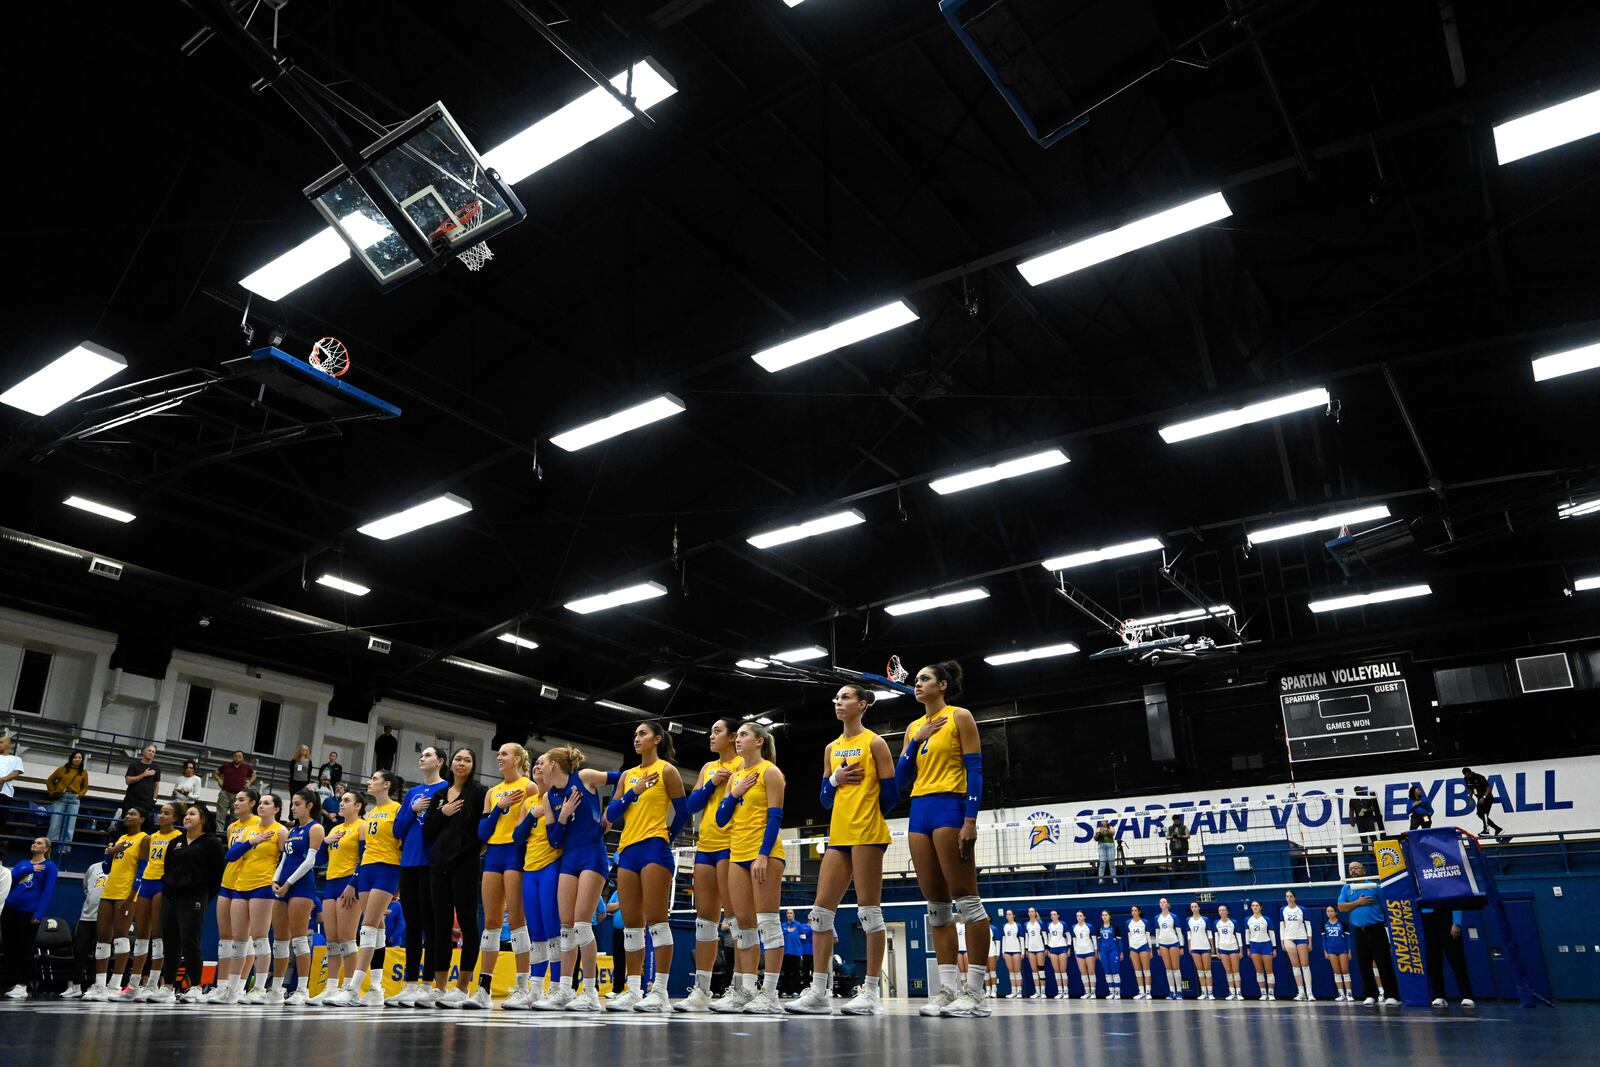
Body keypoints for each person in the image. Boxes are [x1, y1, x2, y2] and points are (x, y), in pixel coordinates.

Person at [786, 686, 897, 1017]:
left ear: (862, 705)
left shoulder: (874, 743)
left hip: (867, 832)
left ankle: (872, 992)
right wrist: (834, 779)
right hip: (838, 834)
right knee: (820, 913)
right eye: (836, 698)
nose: (838, 702)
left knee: (868, 912)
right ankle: (819, 992)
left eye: (845, 697)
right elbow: (823, 799)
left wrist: (866, 813)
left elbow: (890, 795)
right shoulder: (831, 748)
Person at [896, 660, 992, 1017]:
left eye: (924, 679)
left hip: (951, 807)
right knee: (935, 906)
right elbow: (902, 778)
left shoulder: (959, 717)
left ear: (943, 686)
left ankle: (977, 993)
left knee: (966, 900)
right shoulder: (914, 727)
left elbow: (976, 770)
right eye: (916, 680)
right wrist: (914, 742)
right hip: (919, 810)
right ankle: (948, 991)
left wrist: (970, 819)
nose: (917, 684)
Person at [605, 721, 686, 1013]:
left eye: (642, 734)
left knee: (657, 921)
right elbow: (612, 814)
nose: (636, 738)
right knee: (631, 924)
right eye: (635, 735)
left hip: (655, 848)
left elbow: (683, 812)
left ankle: (660, 991)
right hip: (627, 851)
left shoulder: (667, 770)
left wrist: (665, 837)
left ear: (656, 739)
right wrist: (632, 791)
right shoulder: (628, 775)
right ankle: (634, 989)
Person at [712, 720, 787, 1014]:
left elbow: (776, 817)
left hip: (763, 854)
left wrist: (764, 855)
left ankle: (769, 994)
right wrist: (734, 792)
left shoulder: (771, 772)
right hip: (737, 854)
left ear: (758, 741)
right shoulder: (736, 776)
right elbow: (720, 819)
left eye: (743, 735)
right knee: (742, 927)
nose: (738, 739)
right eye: (738, 735)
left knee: (768, 924)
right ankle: (744, 991)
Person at [532, 745, 611, 1012]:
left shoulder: (585, 777)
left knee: (581, 925)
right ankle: (565, 991)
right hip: (569, 859)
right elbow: (554, 840)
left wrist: (611, 813)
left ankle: (590, 994)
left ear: (554, 764)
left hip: (592, 856)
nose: (538, 767)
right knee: (566, 927)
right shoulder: (548, 798)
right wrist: (563, 816)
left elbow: (620, 779)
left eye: (542, 762)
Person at [676, 717, 740, 1012]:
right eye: (710, 730)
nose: (711, 736)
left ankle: (741, 988)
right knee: (705, 920)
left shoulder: (744, 765)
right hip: (706, 846)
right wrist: (711, 784)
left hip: (733, 845)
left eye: (717, 731)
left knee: (737, 919)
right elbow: (691, 806)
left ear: (733, 736)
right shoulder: (708, 768)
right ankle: (702, 991)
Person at [327, 770, 404, 1007]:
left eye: (374, 779)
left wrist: (399, 884)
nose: (369, 782)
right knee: (377, 927)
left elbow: (404, 844)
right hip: (367, 871)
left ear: (386, 784)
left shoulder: (397, 809)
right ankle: (376, 989)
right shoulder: (371, 813)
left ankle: (352, 989)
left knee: (368, 927)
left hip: (387, 869)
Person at [423, 748, 486, 1008]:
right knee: (440, 926)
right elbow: (427, 832)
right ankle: (440, 987)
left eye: (467, 760)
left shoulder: (480, 792)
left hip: (466, 865)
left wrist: (472, 851)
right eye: (458, 759)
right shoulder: (439, 795)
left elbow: (485, 830)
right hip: (438, 866)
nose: (462, 763)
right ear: (451, 764)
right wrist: (443, 813)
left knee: (468, 923)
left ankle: (462, 986)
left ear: (473, 765)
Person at [474, 743, 536, 1009]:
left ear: (519, 758)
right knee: (491, 921)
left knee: (518, 920)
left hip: (515, 855)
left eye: (504, 753)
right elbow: (482, 833)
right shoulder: (492, 792)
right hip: (493, 856)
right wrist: (498, 807)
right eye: (498, 753)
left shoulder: (529, 787)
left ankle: (523, 987)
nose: (499, 757)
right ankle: (483, 989)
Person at [390, 746, 447, 1007]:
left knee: (431, 925)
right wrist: (412, 809)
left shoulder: (446, 790)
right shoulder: (412, 793)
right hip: (409, 864)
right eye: (421, 755)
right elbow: (397, 830)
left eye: (427, 755)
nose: (422, 758)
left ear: (440, 761)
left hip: (432, 864)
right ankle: (410, 984)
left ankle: (428, 985)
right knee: (412, 925)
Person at [156, 802, 224, 1004]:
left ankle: (195, 986)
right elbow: (167, 868)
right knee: (170, 942)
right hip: (170, 896)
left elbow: (217, 874)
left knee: (190, 942)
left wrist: (202, 896)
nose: (187, 817)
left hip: (195, 897)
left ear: (202, 818)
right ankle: (167, 987)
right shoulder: (175, 842)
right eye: (185, 814)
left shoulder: (211, 843)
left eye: (192, 814)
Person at [222, 791, 285, 1003]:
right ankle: (232, 989)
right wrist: (253, 841)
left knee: (259, 937)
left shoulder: (280, 830)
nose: (262, 806)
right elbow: (230, 856)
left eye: (267, 803)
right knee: (239, 939)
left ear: (276, 809)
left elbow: (286, 859)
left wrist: (279, 882)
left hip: (263, 886)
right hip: (241, 886)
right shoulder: (248, 830)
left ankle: (259, 988)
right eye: (261, 803)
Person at [83, 807, 148, 1001]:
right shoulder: (120, 839)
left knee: (121, 936)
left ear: (142, 819)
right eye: (127, 814)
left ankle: (115, 984)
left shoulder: (144, 839)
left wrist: (132, 895)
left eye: (133, 814)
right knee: (103, 937)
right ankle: (100, 984)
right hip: (109, 891)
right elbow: (106, 868)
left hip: (126, 892)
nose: (128, 816)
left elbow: (143, 868)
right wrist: (110, 853)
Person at [516, 753, 564, 1011]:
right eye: (534, 764)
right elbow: (517, 836)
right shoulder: (528, 802)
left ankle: (556, 988)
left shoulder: (559, 797)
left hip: (551, 866)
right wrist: (532, 815)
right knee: (536, 932)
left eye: (541, 763)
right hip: (529, 869)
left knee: (552, 929)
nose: (536, 766)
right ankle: (535, 990)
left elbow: (560, 836)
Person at [271, 789, 325, 1005]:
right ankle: (276, 989)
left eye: (296, 803)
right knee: (279, 940)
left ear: (309, 805)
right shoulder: (293, 830)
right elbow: (283, 860)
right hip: (282, 884)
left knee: (300, 939)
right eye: (292, 804)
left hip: (302, 887)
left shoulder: (316, 828)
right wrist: (275, 880)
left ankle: (302, 989)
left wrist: (288, 884)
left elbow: (310, 861)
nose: (292, 807)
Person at [123, 801, 182, 1000]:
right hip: (146, 883)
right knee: (141, 934)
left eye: (167, 813)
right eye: (161, 812)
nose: (161, 816)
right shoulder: (150, 838)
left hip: (162, 884)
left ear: (175, 818)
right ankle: (134, 984)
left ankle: (153, 984)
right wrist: (135, 889)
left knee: (158, 934)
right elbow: (141, 864)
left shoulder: (179, 838)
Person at [310, 790, 363, 1005]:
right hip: (331, 884)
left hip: (348, 884)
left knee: (347, 939)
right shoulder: (336, 828)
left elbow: (366, 857)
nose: (341, 803)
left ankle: (350, 989)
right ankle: (331, 988)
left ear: (358, 806)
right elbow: (319, 860)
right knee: (332, 940)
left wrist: (353, 884)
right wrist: (325, 841)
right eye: (341, 800)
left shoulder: (362, 826)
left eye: (346, 800)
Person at [208, 790, 261, 1003]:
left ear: (252, 803)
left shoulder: (259, 824)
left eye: (241, 800)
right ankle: (222, 987)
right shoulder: (231, 827)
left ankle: (238, 986)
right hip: (227, 882)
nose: (235, 803)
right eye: (236, 799)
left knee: (244, 938)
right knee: (225, 938)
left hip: (247, 884)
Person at [2, 837, 59, 998]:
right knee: (9, 947)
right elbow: (11, 880)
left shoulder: (50, 867)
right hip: (11, 908)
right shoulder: (23, 863)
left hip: (29, 912)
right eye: (34, 842)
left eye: (39, 843)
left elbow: (47, 892)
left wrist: (39, 914)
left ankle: (22, 984)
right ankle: (8, 981)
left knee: (24, 948)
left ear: (46, 849)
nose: (35, 844)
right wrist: (29, 869)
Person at [1337, 859, 1399, 1005]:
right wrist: (1358, 903)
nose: (1353, 871)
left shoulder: (1374, 886)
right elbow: (1341, 907)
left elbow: (1386, 907)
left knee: (1383, 963)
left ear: (1363, 870)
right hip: (1359, 931)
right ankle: (1370, 995)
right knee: (1364, 964)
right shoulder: (1347, 888)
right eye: (1351, 868)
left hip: (1376, 929)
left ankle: (1391, 995)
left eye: (1356, 868)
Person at [60, 856, 109, 1000]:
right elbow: (86, 888)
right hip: (87, 916)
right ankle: (75, 986)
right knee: (80, 951)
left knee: (99, 953)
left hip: (105, 918)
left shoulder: (120, 868)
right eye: (108, 846)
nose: (109, 848)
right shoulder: (93, 867)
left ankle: (96, 986)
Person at [1422, 906, 1475, 1008]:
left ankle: (1466, 995)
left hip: (1446, 914)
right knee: (1433, 959)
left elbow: (1455, 899)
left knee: (1456, 958)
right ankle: (1438, 995)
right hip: (1427, 916)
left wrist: (1457, 922)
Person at [46, 750, 90, 846]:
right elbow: (49, 780)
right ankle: (50, 846)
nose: (77, 759)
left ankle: (64, 848)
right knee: (55, 822)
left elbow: (85, 786)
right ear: (71, 758)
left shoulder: (84, 772)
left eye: (79, 758)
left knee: (70, 825)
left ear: (82, 760)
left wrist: (80, 795)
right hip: (61, 797)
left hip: (74, 799)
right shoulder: (62, 769)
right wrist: (53, 792)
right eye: (75, 757)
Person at [1280, 889, 1313, 1000]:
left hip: (1301, 938)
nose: (1289, 898)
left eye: (1290, 896)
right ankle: (1301, 992)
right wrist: (1282, 941)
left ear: (1294, 897)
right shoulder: (1282, 910)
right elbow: (1282, 927)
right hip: (1288, 938)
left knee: (1305, 965)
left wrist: (1310, 941)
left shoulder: (1302, 909)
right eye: (1287, 896)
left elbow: (1308, 926)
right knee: (1295, 965)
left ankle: (1310, 993)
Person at [212, 751, 257, 826]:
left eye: (239, 756)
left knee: (235, 817)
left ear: (243, 758)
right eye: (236, 756)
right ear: (233, 757)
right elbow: (215, 773)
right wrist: (220, 780)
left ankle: (232, 835)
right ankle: (218, 836)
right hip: (225, 793)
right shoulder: (226, 765)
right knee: (220, 816)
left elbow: (254, 775)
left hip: (238, 795)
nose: (237, 758)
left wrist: (249, 783)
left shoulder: (246, 767)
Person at [1245, 900, 1276, 1000]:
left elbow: (1272, 934)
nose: (1255, 907)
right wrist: (1248, 948)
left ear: (1261, 907)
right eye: (1253, 905)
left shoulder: (1266, 919)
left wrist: (1274, 948)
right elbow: (1247, 934)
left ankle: (1271, 993)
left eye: (1257, 905)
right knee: (1259, 971)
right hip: (1254, 946)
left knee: (1269, 970)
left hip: (1266, 945)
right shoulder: (1248, 920)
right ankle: (1263, 993)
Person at [1153, 897, 1183, 999]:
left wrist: (1181, 946)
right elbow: (1157, 933)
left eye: (1164, 902)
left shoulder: (1173, 916)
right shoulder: (1157, 917)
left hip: (1174, 943)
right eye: (1160, 902)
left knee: (1176, 968)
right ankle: (1172, 991)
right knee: (1168, 969)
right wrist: (1157, 947)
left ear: (1167, 904)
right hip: (1162, 944)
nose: (1162, 904)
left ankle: (1179, 991)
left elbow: (1179, 932)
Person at [122, 743, 161, 821]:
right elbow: (128, 781)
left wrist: (154, 799)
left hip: (146, 802)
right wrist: (144, 774)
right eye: (149, 750)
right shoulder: (134, 764)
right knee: (127, 822)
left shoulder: (156, 767)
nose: (151, 753)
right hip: (131, 800)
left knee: (143, 825)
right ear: (143, 752)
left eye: (153, 752)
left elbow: (156, 785)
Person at [1321, 905, 1352, 1001]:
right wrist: (1325, 951)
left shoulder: (1342, 923)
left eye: (1331, 911)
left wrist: (1349, 951)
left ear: (1336, 912)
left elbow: (1348, 939)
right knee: (1336, 972)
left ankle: (1349, 994)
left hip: (1342, 949)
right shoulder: (1324, 924)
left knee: (1345, 971)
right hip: (1331, 950)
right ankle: (1341, 994)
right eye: (1327, 911)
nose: (1329, 913)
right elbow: (1323, 939)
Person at [1185, 901, 1214, 1001]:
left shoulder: (1205, 919)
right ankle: (1204, 992)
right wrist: (1189, 947)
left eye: (1195, 906)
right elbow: (1189, 935)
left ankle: (1210, 993)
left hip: (1205, 947)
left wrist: (1212, 946)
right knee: (1200, 971)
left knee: (1207, 970)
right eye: (1192, 907)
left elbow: (1209, 934)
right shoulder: (1188, 920)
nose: (1194, 908)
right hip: (1194, 947)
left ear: (1199, 908)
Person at [0, 735, 23, 856]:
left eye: (1, 742)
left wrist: (2, 779)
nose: (0, 744)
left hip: (4, 793)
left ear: (9, 744)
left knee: (1, 819)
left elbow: (16, 773)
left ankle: (2, 846)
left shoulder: (16, 759)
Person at [1462, 768, 1503, 836]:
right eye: (1465, 775)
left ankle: (1486, 831)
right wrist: (1470, 798)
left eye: (1467, 775)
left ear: (1470, 772)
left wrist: (1484, 797)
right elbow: (1472, 789)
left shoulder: (1479, 777)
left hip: (1487, 797)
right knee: (1480, 815)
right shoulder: (1466, 779)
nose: (1467, 777)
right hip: (1479, 799)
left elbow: (1488, 788)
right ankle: (1497, 829)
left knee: (1484, 814)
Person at [1215, 904, 1244, 1000]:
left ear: (1227, 912)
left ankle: (1239, 993)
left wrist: (1241, 950)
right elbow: (1216, 938)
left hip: (1234, 948)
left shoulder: (1233, 922)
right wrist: (1217, 950)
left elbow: (1239, 936)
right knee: (1228, 971)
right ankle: (1232, 992)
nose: (1222, 912)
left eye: (1223, 910)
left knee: (1235, 971)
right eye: (1220, 910)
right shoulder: (1217, 923)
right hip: (1223, 949)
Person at [1125, 904, 1153, 1000]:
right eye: (1132, 910)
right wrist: (1130, 949)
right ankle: (1141, 992)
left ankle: (1148, 992)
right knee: (1137, 971)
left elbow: (1148, 936)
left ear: (1139, 912)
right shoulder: (1128, 922)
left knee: (1146, 970)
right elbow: (1129, 937)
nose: (1133, 912)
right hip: (1133, 948)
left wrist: (1150, 950)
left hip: (1143, 946)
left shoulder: (1144, 922)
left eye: (1135, 910)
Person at [1096, 909, 1124, 1000]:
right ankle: (1111, 991)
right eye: (1103, 915)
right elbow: (1099, 942)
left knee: (1115, 972)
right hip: (1103, 952)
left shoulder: (1115, 928)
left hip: (1114, 951)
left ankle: (1117, 992)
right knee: (1107, 972)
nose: (1104, 916)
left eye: (1106, 915)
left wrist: (1121, 952)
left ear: (1109, 916)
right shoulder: (1100, 928)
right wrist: (1099, 953)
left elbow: (1119, 941)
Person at [1070, 909, 1095, 998]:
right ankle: (1087, 992)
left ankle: (1093, 992)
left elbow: (1094, 939)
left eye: (1081, 916)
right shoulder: (1074, 927)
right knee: (1083, 972)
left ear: (1084, 917)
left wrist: (1095, 951)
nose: (1079, 917)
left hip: (1089, 951)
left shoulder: (1089, 926)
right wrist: (1076, 952)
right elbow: (1074, 940)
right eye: (1077, 916)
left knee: (1091, 972)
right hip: (1079, 952)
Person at [1045, 908, 1069, 1000]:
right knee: (1056, 971)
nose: (1053, 916)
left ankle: (1066, 991)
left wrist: (1068, 948)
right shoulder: (1049, 925)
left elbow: (1068, 937)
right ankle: (1060, 991)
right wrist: (1048, 949)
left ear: (1058, 915)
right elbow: (1048, 937)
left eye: (1054, 914)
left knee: (1063, 970)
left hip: (1062, 948)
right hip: (1053, 949)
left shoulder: (1063, 924)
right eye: (1051, 914)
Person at [1023, 906, 1047, 999]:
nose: (1030, 913)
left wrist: (1046, 948)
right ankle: (1037, 991)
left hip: (1040, 949)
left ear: (1035, 913)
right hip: (1031, 949)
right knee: (1034, 971)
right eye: (1029, 911)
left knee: (1041, 970)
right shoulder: (1026, 924)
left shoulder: (1040, 923)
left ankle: (1043, 992)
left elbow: (1045, 936)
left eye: (1032, 911)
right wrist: (1026, 949)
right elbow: (1026, 937)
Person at [999, 908, 1023, 997]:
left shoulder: (1018, 926)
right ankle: (1013, 991)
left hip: (1016, 950)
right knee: (1011, 971)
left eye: (1010, 914)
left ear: (1013, 915)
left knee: (1017, 970)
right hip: (1007, 951)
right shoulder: (1004, 926)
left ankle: (1019, 991)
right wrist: (1003, 951)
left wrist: (1022, 952)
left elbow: (1022, 939)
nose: (1008, 916)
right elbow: (1003, 939)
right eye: (1007, 914)